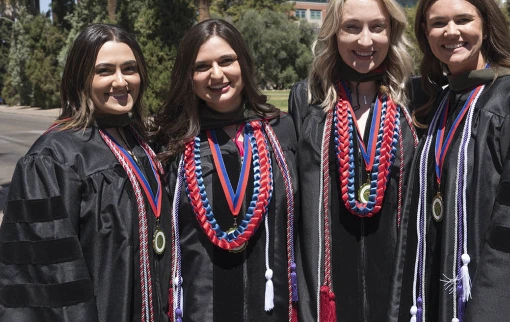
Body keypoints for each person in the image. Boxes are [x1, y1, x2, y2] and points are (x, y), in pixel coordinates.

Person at [390, 0, 510, 322]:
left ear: (486, 24)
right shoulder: (443, 102)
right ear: (426, 35)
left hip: (497, 302)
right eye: (438, 23)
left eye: (463, 19)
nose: (451, 31)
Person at [0, 24, 171, 321]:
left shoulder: (145, 143)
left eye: (129, 68)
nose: (121, 81)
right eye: (105, 71)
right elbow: (47, 275)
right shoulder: (54, 158)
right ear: (81, 78)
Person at [288, 0, 420, 322]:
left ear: (391, 31)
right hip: (328, 286)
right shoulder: (307, 99)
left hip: (397, 287)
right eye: (352, 27)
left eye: (377, 27)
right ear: (333, 32)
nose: (366, 40)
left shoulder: (414, 99)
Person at [154, 19, 299, 322]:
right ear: (188, 76)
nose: (217, 74)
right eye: (202, 66)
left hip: (271, 306)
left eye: (226, 61)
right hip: (201, 307)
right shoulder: (171, 144)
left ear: (243, 63)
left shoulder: (280, 130)